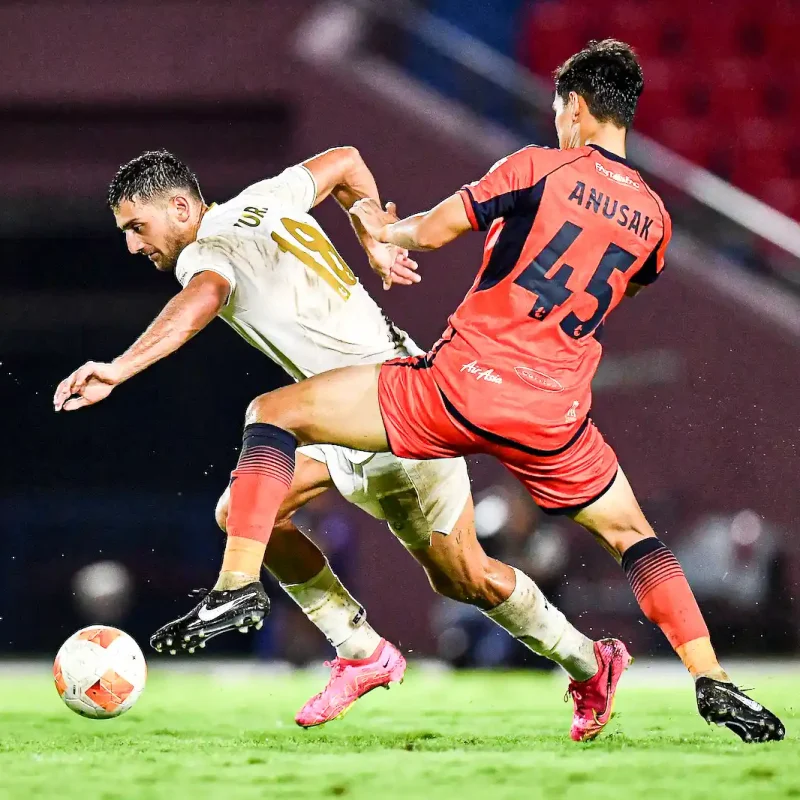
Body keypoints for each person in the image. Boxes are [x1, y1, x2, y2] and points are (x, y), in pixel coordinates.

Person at [133, 39, 782, 743]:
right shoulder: (655, 220)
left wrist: (385, 231)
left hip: (457, 388)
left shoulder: (537, 165)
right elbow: (621, 272)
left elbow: (434, 231)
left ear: (575, 107)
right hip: (554, 414)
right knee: (635, 539)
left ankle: (236, 591)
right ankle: (710, 676)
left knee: (273, 415)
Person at [53, 146, 628, 740]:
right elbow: (347, 162)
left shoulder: (208, 249)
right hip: (358, 409)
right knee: (263, 517)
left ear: (179, 207)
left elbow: (201, 298)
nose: (131, 245)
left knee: (271, 416)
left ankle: (235, 590)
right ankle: (368, 652)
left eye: (136, 227)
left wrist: (119, 368)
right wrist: (372, 229)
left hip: (396, 402)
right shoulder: (267, 197)